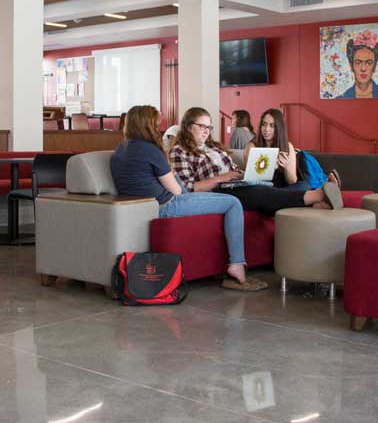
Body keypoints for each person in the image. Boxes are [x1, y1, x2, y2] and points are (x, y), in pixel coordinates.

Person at [110, 105, 266, 292]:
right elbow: (177, 191)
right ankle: (237, 265)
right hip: (167, 205)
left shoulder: (120, 149)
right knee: (233, 203)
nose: (158, 128)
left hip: (142, 207)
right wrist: (173, 172)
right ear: (147, 124)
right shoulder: (151, 150)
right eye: (156, 123)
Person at [169, 107, 343, 215]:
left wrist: (241, 175)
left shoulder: (216, 149)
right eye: (202, 126)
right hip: (218, 191)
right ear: (188, 126)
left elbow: (237, 170)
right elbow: (185, 188)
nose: (207, 131)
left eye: (209, 127)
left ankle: (315, 202)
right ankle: (318, 195)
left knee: (299, 185)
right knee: (259, 191)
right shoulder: (179, 151)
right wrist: (223, 178)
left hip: (235, 185)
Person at [336, 31, 378, 99]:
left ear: (375, 66)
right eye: (358, 62)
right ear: (351, 66)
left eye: (369, 63)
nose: (363, 68)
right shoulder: (342, 98)